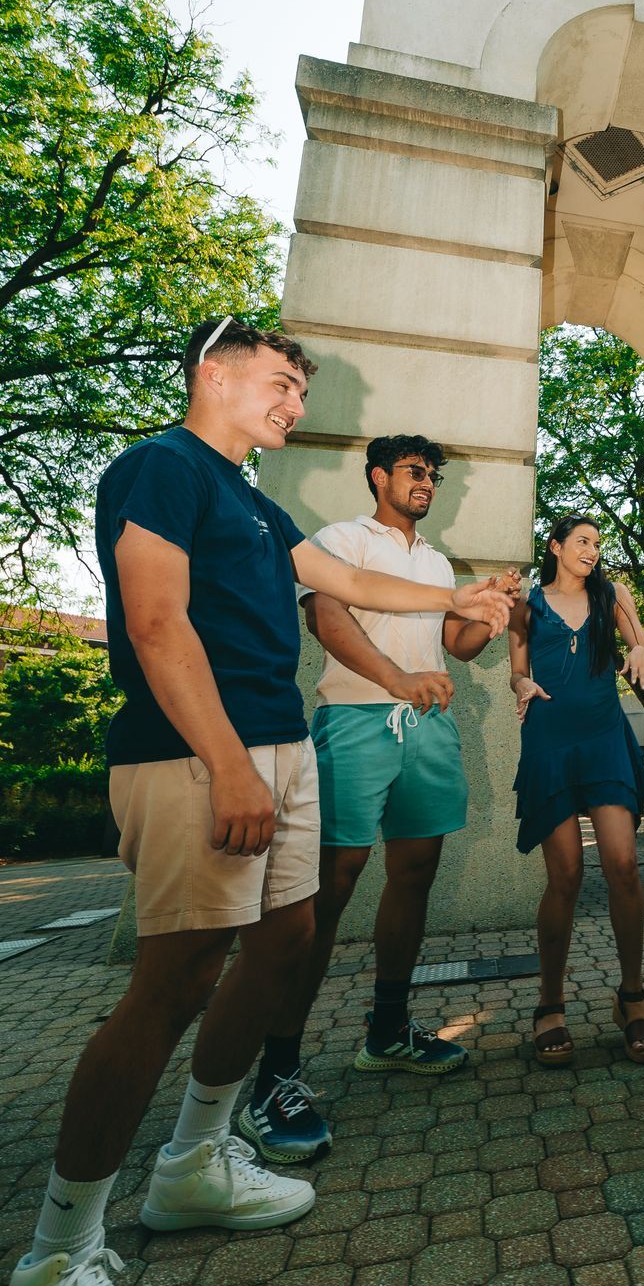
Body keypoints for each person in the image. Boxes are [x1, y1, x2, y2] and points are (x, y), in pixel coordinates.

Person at [0, 322, 513, 1286]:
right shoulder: (158, 468)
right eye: (279, 383)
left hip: (277, 747)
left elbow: (340, 579)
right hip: (198, 752)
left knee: (282, 948)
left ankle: (192, 1163)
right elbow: (153, 619)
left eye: (298, 389)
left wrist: (457, 602)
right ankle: (50, 1273)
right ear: (212, 375)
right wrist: (226, 762)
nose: (290, 403)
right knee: (174, 982)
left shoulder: (254, 500)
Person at [237, 433, 519, 1163]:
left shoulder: (434, 562)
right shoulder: (341, 539)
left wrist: (487, 612)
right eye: (414, 472)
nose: (426, 483)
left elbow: (456, 647)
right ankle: (276, 1070)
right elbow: (326, 619)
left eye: (434, 475)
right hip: (357, 719)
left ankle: (387, 1034)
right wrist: (395, 677)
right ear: (379, 477)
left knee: (415, 874)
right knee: (327, 889)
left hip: (429, 724)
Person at [508, 515, 644, 1064]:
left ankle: (633, 998)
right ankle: (550, 1003)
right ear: (555, 547)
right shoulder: (528, 602)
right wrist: (521, 682)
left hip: (603, 738)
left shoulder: (613, 593)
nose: (592, 551)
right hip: (550, 741)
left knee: (623, 864)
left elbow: (639, 648)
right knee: (566, 875)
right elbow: (516, 670)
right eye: (582, 542)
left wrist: (640, 651)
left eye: (597, 543)